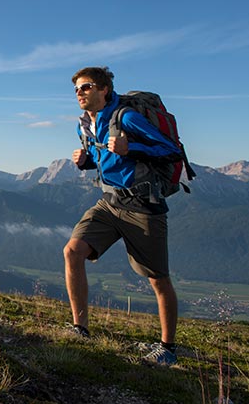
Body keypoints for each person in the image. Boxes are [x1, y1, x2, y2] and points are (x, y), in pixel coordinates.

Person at [63, 66, 182, 366]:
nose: (80, 93)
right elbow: (105, 158)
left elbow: (170, 150)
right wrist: (86, 161)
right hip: (110, 202)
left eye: (86, 87)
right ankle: (80, 329)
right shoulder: (84, 125)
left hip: (143, 206)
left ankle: (167, 348)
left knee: (158, 279)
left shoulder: (127, 117)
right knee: (72, 251)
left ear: (104, 89)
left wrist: (133, 147)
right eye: (76, 88)